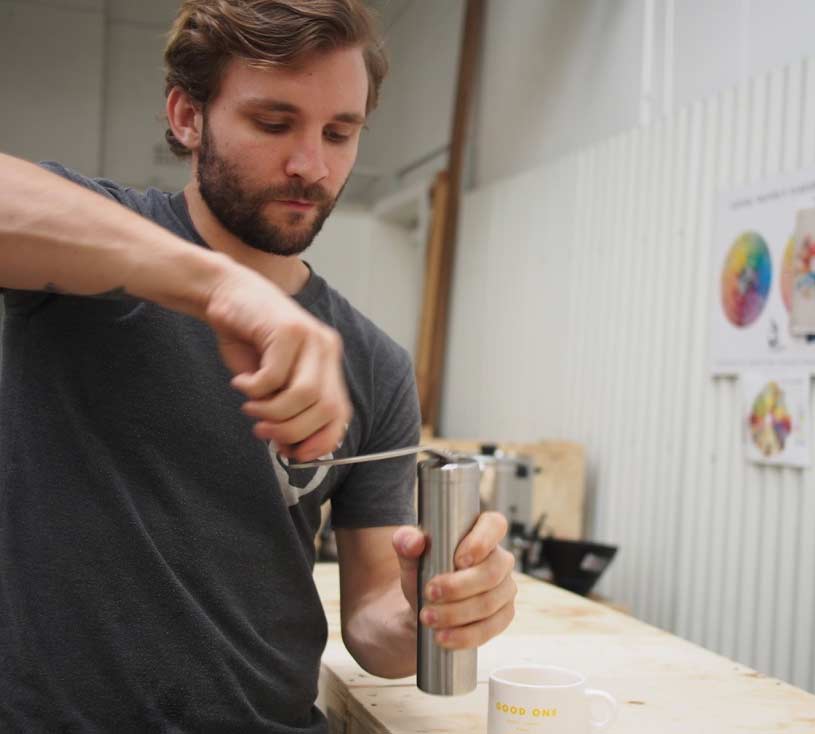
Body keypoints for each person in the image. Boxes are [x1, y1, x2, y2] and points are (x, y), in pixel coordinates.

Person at [0, 1, 517, 731]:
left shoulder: (370, 361)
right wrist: (219, 287)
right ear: (186, 116)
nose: (311, 165)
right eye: (273, 123)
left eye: (340, 133)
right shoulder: (93, 250)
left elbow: (371, 624)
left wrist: (432, 613)